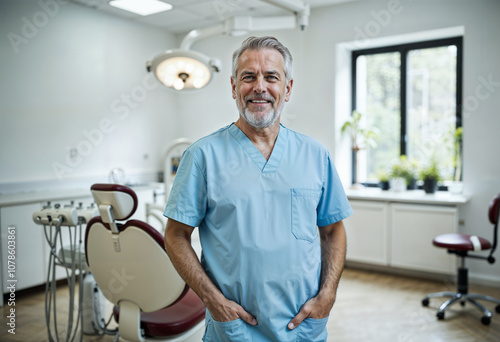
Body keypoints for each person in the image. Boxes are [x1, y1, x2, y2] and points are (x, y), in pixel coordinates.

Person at [163, 36, 353, 341]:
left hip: (302, 326)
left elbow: (333, 230)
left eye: (271, 77)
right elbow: (175, 235)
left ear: (287, 88)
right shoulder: (202, 156)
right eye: (248, 77)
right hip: (235, 328)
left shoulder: (315, 155)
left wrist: (328, 294)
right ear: (234, 86)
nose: (259, 87)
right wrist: (213, 301)